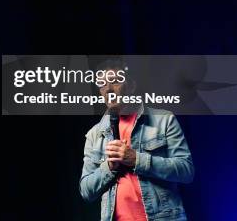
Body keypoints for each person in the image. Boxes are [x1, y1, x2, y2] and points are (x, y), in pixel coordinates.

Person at [80, 58, 194, 220]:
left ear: (131, 86)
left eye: (115, 81)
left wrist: (137, 160)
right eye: (102, 84)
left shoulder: (163, 119)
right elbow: (86, 190)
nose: (108, 89)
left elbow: (186, 171)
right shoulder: (94, 134)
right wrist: (109, 167)